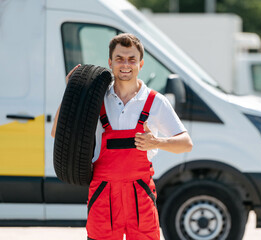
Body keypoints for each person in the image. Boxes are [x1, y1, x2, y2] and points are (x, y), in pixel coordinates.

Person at [52, 33, 193, 240]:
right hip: (103, 194)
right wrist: (72, 93)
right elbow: (58, 132)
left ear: (141, 64)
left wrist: (157, 142)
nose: (125, 64)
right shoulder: (95, 99)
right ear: (110, 62)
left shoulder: (156, 101)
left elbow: (186, 144)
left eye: (131, 59)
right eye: (119, 58)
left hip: (140, 194)